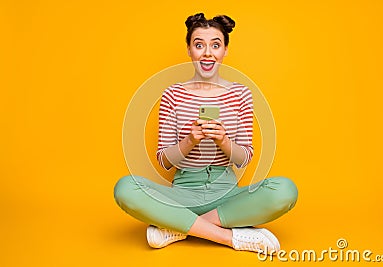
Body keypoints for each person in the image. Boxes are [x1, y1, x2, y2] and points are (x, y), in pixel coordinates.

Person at [114, 13, 298, 254]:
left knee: (285, 190)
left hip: (228, 197)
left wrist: (223, 141)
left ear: (225, 51)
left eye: (216, 45)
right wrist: (189, 141)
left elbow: (244, 158)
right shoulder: (172, 95)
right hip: (181, 195)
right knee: (125, 188)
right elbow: (165, 161)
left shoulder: (241, 94)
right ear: (189, 50)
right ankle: (229, 238)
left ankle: (178, 226)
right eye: (199, 45)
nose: (207, 53)